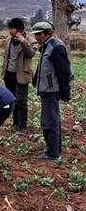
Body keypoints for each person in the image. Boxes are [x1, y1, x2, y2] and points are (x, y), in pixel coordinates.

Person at [31, 21, 72, 161]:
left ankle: (52, 153)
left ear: (49, 33)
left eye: (39, 34)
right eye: (36, 34)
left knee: (50, 121)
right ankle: (54, 149)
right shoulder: (46, 45)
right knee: (50, 119)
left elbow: (63, 72)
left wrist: (65, 92)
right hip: (46, 89)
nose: (37, 37)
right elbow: (44, 65)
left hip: (51, 90)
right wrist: (36, 78)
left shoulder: (56, 47)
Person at [1, 18, 39, 131]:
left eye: (12, 29)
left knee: (21, 101)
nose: (10, 31)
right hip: (9, 75)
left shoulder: (31, 41)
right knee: (12, 100)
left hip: (22, 75)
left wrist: (23, 41)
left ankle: (22, 126)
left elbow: (30, 54)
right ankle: (15, 123)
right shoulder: (9, 40)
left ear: (18, 30)